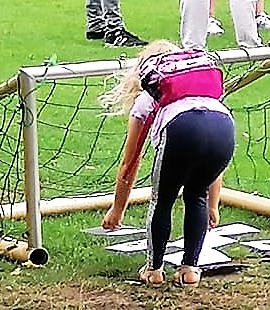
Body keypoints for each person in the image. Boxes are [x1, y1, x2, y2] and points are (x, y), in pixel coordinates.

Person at [99, 40, 235, 288]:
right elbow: (214, 164)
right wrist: (213, 205)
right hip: (224, 127)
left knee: (162, 199)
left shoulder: (149, 97)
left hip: (180, 129)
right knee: (197, 195)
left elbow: (130, 162)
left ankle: (154, 270)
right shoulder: (204, 92)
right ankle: (190, 270)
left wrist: (117, 209)